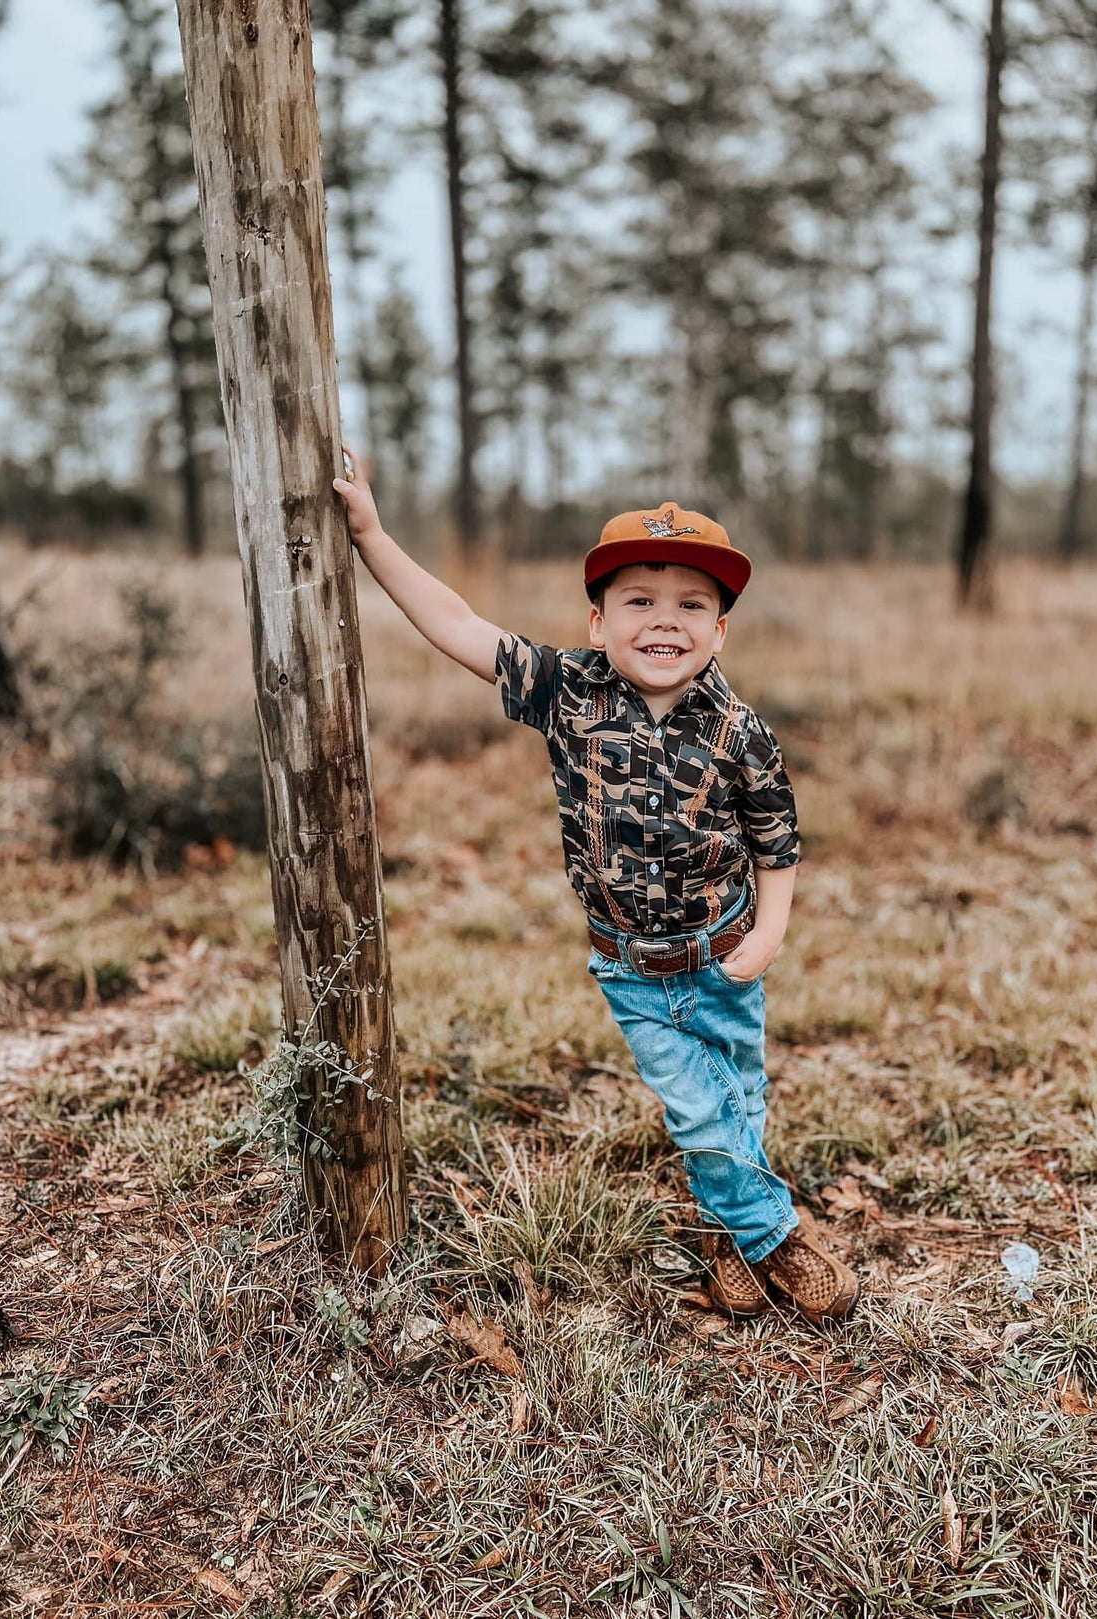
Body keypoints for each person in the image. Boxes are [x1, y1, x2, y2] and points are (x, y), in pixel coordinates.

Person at [333, 450, 860, 1327]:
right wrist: (372, 535)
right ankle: (776, 1237)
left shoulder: (740, 731)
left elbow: (778, 840)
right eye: (640, 602)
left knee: (737, 1098)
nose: (666, 621)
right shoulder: (567, 691)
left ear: (721, 630)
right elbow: (458, 623)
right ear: (600, 619)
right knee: (697, 1109)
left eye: (693, 604)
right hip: (635, 966)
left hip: (726, 948)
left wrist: (768, 935)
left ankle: (726, 1234)